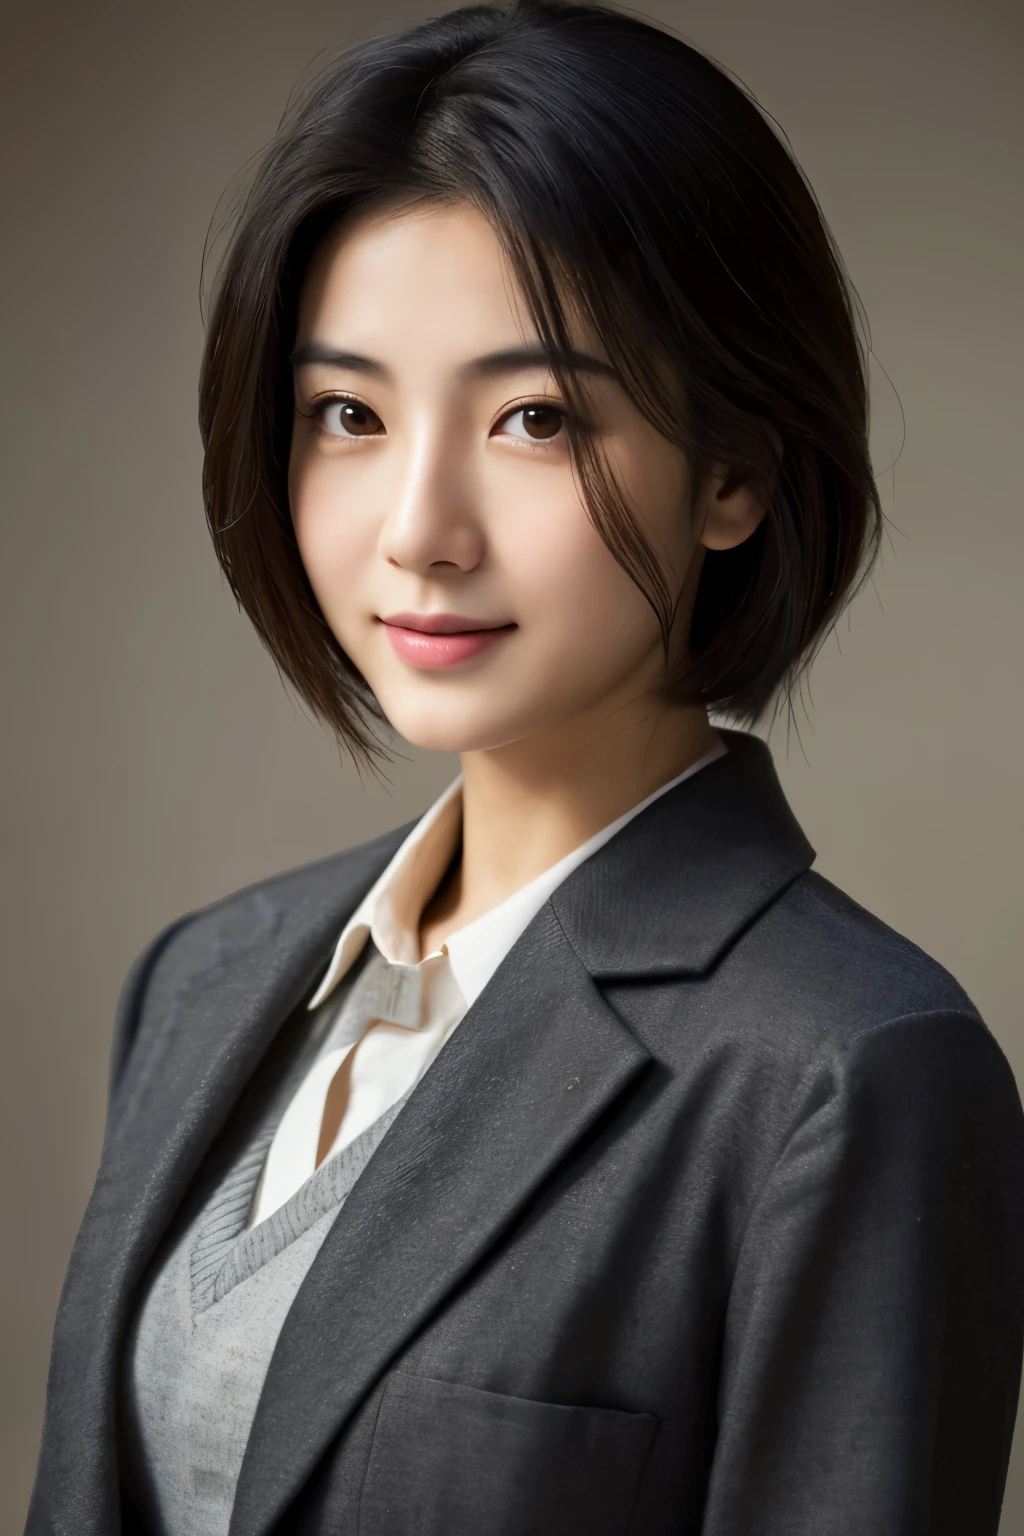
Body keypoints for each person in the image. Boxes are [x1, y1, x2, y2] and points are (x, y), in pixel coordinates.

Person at [27, 3, 1024, 1533]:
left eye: (535, 416)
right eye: (347, 414)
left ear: (735, 473)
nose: (418, 526)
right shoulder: (201, 984)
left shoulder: (845, 1070)